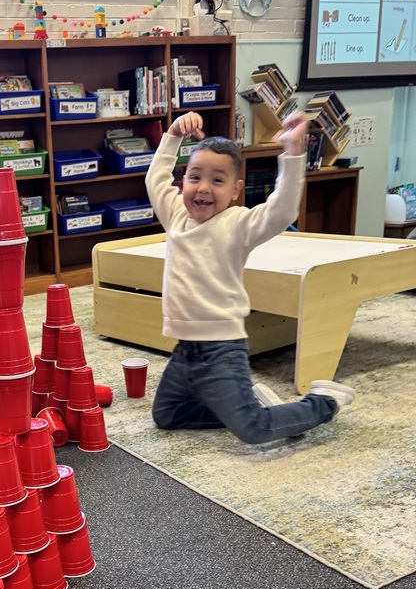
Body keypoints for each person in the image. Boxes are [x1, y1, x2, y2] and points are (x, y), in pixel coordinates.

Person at [144, 111, 355, 445]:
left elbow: (282, 211)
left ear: (235, 190)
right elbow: (155, 177)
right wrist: (172, 135)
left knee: (254, 429)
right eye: (195, 177)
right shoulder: (175, 217)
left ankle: (324, 402)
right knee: (167, 416)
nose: (203, 188)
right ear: (182, 182)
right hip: (185, 352)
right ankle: (245, 404)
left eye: (217, 180)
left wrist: (293, 153)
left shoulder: (237, 225)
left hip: (222, 351)